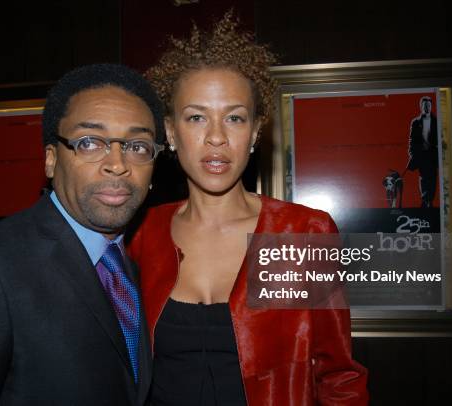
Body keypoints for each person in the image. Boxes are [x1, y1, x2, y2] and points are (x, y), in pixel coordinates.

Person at [128, 12, 368, 405]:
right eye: (197, 117)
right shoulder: (141, 231)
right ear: (170, 132)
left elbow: (338, 375)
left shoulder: (301, 231)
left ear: (255, 132)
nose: (217, 137)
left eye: (235, 118)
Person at [0, 64, 165, 405]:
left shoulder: (132, 266)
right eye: (88, 142)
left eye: (138, 146)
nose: (117, 163)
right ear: (51, 160)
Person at [406, 95, 438, 208]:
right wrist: (412, 154)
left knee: (432, 178)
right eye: (424, 105)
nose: (426, 108)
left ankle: (430, 200)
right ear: (421, 107)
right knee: (423, 178)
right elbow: (412, 140)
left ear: (432, 106)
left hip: (433, 156)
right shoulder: (415, 122)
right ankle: (425, 200)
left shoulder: (436, 122)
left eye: (428, 105)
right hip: (421, 156)